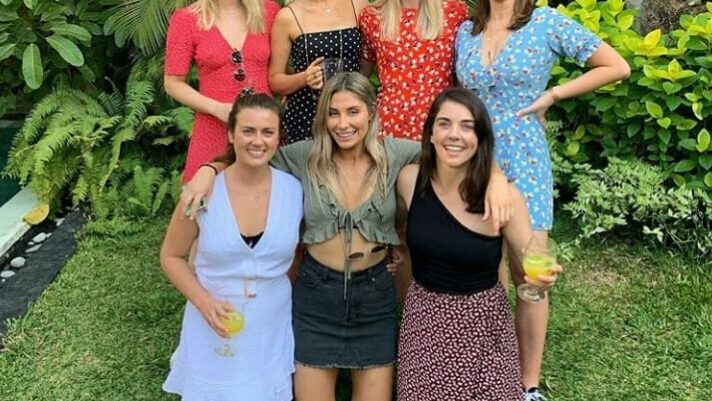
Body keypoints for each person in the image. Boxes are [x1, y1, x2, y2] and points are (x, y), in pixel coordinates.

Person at [181, 72, 512, 401]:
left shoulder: (396, 154)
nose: (343, 124)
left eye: (353, 111)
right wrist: (209, 170)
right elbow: (252, 155)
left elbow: (452, 149)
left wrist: (496, 176)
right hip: (316, 295)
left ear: (371, 111)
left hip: (374, 297)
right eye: (333, 113)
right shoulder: (304, 156)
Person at [454, 2, 630, 399]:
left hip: (525, 157)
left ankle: (528, 385)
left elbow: (616, 66)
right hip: (474, 160)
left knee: (531, 273)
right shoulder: (467, 30)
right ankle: (491, 371)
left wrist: (553, 94)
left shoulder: (545, 22)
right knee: (484, 270)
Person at [396, 87, 562, 400]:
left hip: (483, 324)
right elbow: (392, 221)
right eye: (444, 124)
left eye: (467, 126)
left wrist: (542, 277)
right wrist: (393, 246)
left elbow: (530, 256)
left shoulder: (503, 198)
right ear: (430, 133)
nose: (454, 135)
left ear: (481, 138)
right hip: (424, 320)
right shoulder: (409, 180)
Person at [160, 92, 303, 401]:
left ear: (279, 138)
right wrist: (204, 303)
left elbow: (299, 252)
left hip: (270, 325)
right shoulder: (202, 192)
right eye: (248, 131)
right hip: (211, 321)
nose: (258, 141)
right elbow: (171, 255)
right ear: (230, 134)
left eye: (268, 132)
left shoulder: (294, 191)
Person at [165, 0, 280, 182]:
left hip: (262, 131)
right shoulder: (186, 19)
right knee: (203, 192)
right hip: (213, 127)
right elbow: (173, 83)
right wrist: (217, 108)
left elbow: (279, 73)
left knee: (270, 192)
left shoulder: (269, 11)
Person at [359, 0, 468, 140]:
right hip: (389, 129)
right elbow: (361, 77)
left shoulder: (454, 12)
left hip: (441, 127)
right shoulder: (373, 17)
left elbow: (464, 75)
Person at [269, 0, 368, 143]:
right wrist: (304, 78)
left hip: (350, 115)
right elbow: (275, 80)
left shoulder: (357, 4)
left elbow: (371, 57)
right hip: (307, 115)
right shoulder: (287, 16)